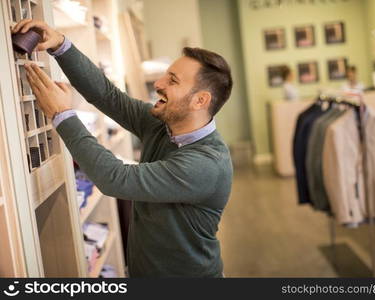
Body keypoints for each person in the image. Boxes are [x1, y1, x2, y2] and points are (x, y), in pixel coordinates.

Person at [13, 19, 233, 278]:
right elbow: (109, 96)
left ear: (200, 100)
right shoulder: (163, 123)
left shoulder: (207, 164)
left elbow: (115, 179)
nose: (159, 83)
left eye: (172, 80)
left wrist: (62, 114)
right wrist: (61, 45)